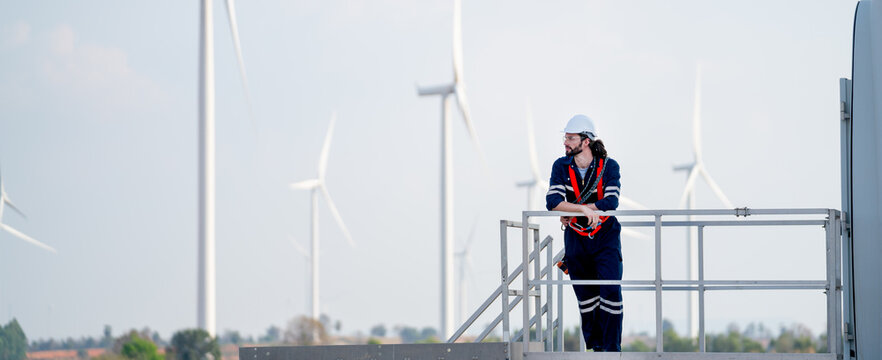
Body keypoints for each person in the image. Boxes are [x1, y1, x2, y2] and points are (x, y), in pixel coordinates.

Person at [545, 114, 623, 351]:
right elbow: (552, 201)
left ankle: (612, 351)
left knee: (610, 290)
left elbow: (611, 201)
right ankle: (597, 349)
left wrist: (575, 210)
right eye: (565, 138)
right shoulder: (561, 166)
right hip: (577, 240)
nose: (565, 142)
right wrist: (581, 209)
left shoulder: (609, 166)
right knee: (586, 298)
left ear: (586, 141)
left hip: (605, 237)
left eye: (570, 138)